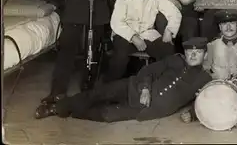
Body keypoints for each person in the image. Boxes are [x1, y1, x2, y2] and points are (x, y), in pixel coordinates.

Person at [34, 38, 212, 122]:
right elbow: (148, 70)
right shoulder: (175, 60)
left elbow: (205, 101)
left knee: (105, 115)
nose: (193, 55)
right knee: (97, 94)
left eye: (198, 52)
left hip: (144, 110)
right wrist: (144, 89)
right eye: (190, 51)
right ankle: (55, 108)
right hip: (132, 87)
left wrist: (193, 116)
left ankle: (68, 108)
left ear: (205, 55)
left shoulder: (205, 78)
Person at [105, 0, 182, 82]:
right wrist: (133, 37)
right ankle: (110, 87)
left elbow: (175, 13)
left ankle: (163, 86)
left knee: (168, 50)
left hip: (147, 34)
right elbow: (116, 22)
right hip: (125, 34)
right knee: (120, 57)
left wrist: (169, 31)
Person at [203, 9, 237, 80]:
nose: (228, 27)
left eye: (232, 23)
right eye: (224, 24)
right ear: (220, 27)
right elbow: (206, 68)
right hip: (218, 85)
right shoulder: (212, 46)